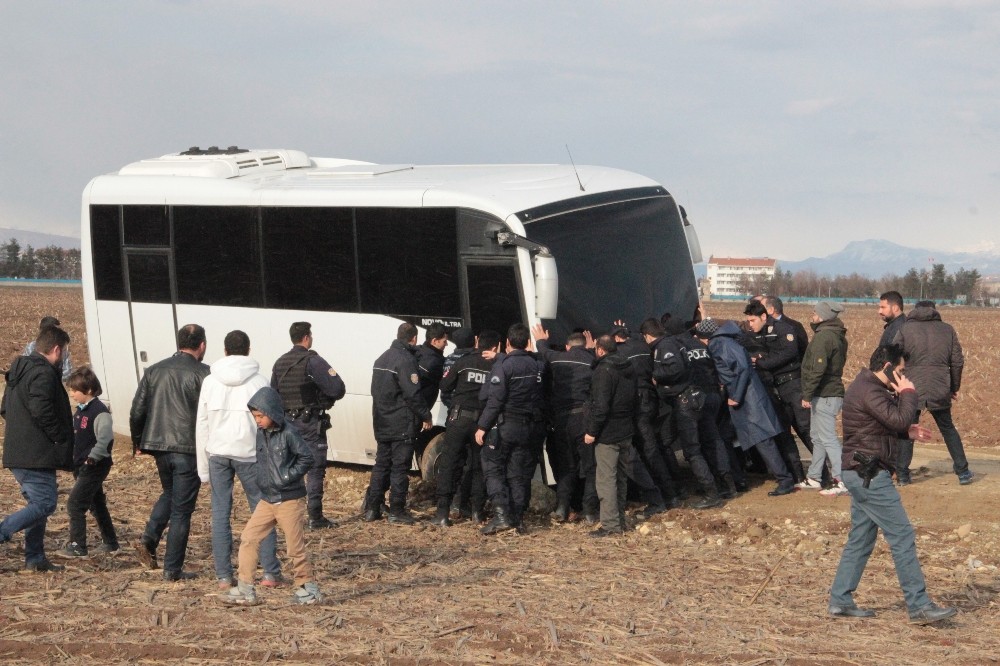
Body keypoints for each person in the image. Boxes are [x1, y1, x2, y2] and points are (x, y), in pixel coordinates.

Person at [828, 344, 957, 624]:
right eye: (900, 370)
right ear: (886, 367)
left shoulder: (868, 388)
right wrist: (909, 394)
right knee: (902, 536)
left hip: (862, 471)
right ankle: (919, 605)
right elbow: (898, 418)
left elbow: (876, 427)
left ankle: (840, 600)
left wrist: (907, 434)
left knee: (861, 538)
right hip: (869, 474)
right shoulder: (869, 389)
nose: (903, 375)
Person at [197, 330, 284, 590]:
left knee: (220, 514)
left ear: (224, 351)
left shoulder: (210, 382)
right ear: (248, 350)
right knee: (263, 513)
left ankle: (224, 576)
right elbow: (270, 423)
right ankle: (269, 573)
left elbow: (202, 424)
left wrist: (203, 467)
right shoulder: (259, 381)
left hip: (218, 454)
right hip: (250, 454)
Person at [222, 387, 321, 606]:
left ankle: (307, 589)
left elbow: (307, 457)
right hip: (267, 499)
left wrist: (286, 476)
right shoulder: (262, 433)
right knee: (249, 538)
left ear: (272, 412)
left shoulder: (289, 433)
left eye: (260, 416)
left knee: (295, 547)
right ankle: (245, 588)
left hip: (289, 500)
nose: (257, 420)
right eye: (255, 416)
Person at [130, 324, 210, 581]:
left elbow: (137, 410)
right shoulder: (204, 374)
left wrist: (138, 442)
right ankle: (172, 569)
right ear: (202, 345)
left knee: (170, 493)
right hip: (188, 447)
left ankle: (149, 540)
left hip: (159, 446)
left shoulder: (154, 370)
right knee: (182, 511)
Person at [0, 326, 74, 572]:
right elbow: (42, 409)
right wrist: (58, 437)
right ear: (56, 349)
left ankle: (35, 557)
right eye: (63, 352)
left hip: (22, 451)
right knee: (44, 503)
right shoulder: (42, 374)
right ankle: (3, 532)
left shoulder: (19, 372)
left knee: (37, 503)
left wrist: (22, 431)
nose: (63, 358)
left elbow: (4, 409)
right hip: (36, 453)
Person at [694, 319, 795, 496]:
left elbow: (741, 368)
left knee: (762, 439)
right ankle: (739, 479)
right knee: (729, 437)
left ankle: (784, 480)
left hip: (747, 399)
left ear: (706, 336)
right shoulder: (726, 340)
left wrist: (735, 396)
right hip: (745, 396)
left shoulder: (719, 343)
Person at [271, 322, 347, 529]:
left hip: (287, 423)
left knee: (290, 469)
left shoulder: (279, 363)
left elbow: (274, 394)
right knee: (314, 468)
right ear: (306, 337)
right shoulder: (312, 361)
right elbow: (337, 388)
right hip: (309, 422)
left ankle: (288, 515)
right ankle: (315, 516)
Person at [475, 323, 546, 535]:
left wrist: (482, 427)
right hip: (528, 427)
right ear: (528, 343)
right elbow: (540, 361)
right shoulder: (537, 366)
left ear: (507, 343)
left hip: (506, 426)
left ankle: (501, 516)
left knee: (492, 466)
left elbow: (494, 400)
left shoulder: (503, 367)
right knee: (518, 474)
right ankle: (518, 519)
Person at [893, 301, 973, 486]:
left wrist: (897, 383)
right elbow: (957, 361)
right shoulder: (947, 330)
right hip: (939, 387)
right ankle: (963, 471)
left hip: (911, 387)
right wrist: (953, 387)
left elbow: (893, 356)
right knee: (948, 429)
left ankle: (903, 475)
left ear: (915, 309)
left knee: (908, 428)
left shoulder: (905, 329)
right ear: (934, 310)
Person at [644, 317, 720, 508]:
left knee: (692, 451)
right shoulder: (674, 342)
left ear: (647, 335)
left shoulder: (665, 346)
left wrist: (656, 375)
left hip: (685, 401)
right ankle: (705, 487)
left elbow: (675, 368)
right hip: (690, 398)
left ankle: (711, 494)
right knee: (672, 441)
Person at [363, 323, 433, 525]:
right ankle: (396, 510)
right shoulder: (406, 361)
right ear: (414, 338)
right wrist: (425, 415)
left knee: (381, 465)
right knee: (399, 468)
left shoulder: (381, 358)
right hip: (401, 422)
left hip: (381, 420)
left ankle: (372, 509)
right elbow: (412, 394)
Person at [433, 329, 501, 526]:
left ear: (478, 342)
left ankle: (443, 512)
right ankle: (477, 512)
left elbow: (445, 386)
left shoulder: (462, 362)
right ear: (496, 347)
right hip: (482, 423)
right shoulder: (496, 365)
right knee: (479, 466)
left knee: (449, 464)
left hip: (458, 418)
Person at [533, 325, 596, 522]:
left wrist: (542, 339)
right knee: (591, 468)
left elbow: (543, 352)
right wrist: (592, 350)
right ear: (584, 346)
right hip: (585, 419)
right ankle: (589, 511)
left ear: (567, 347)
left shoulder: (557, 358)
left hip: (561, 421)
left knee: (566, 466)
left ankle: (562, 508)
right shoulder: (592, 361)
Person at [744, 300, 810, 484]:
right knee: (783, 433)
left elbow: (789, 353)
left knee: (805, 429)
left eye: (752, 321)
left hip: (793, 386)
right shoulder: (758, 333)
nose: (750, 325)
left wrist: (763, 362)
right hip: (776, 388)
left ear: (764, 316)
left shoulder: (784, 329)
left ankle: (827, 475)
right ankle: (797, 475)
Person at [58, 366, 119, 557]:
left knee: (75, 504)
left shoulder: (100, 412)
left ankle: (78, 545)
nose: (72, 394)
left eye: (75, 390)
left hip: (94, 466)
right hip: (83, 466)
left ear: (89, 390)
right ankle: (110, 542)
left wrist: (92, 458)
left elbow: (105, 439)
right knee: (96, 503)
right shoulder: (80, 411)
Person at [584, 335, 637, 536]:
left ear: (600, 350)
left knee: (606, 480)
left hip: (608, 433)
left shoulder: (603, 371)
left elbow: (601, 406)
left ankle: (610, 525)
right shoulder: (627, 366)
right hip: (626, 429)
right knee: (621, 478)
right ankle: (619, 520)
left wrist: (591, 431)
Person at [800, 302, 849, 496]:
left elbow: (817, 368)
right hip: (827, 393)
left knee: (828, 438)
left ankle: (842, 479)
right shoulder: (835, 335)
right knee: (817, 437)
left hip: (825, 394)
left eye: (815, 312)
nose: (812, 315)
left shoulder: (824, 337)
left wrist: (807, 394)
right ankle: (814, 477)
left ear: (823, 316)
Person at [22, 315, 73, 381]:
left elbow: (68, 372)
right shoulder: (31, 347)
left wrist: (48, 377)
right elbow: (26, 370)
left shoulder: (62, 349)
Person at [761, 297, 808, 361]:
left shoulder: (794, 326)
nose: (758, 310)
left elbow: (803, 350)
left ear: (771, 310)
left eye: (761, 307)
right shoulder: (761, 327)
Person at [415, 322, 450, 410]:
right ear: (434, 341)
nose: (446, 344)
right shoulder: (435, 363)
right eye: (444, 341)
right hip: (420, 411)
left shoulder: (418, 351)